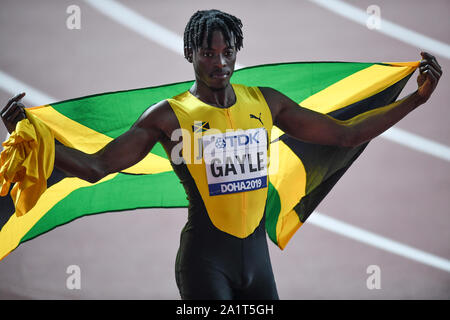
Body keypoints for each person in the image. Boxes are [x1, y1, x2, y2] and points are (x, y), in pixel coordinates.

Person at [1, 9, 442, 300]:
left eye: (227, 51)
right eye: (208, 52)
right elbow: (98, 168)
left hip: (258, 266)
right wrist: (35, 140)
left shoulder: (266, 103)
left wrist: (416, 100)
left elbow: (345, 135)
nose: (220, 61)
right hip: (205, 263)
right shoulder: (169, 117)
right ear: (190, 54)